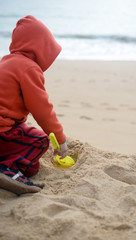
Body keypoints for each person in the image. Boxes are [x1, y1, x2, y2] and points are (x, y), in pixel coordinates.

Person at [0, 15, 68, 195]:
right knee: (39, 140)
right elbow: (43, 111)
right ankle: (6, 169)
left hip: (4, 129)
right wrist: (60, 140)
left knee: (32, 166)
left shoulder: (5, 62)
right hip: (2, 133)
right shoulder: (28, 68)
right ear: (40, 48)